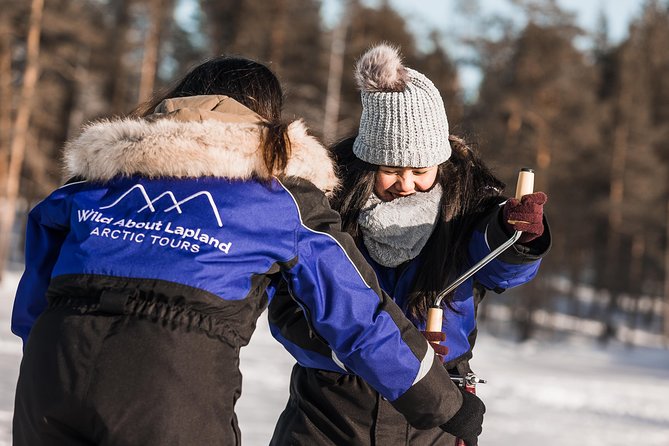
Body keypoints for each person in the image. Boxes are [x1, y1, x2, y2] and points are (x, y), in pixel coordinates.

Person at [11, 55, 480, 446]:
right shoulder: (280, 200)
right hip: (169, 389)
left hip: (50, 381)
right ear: (264, 121)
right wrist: (445, 403)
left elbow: (32, 307)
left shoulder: (90, 185)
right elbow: (361, 318)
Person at [269, 44, 551, 445]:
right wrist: (378, 357)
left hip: (435, 412)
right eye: (390, 170)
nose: (406, 184)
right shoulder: (325, 207)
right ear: (368, 163)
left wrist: (518, 237)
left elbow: (495, 265)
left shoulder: (467, 207)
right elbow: (287, 310)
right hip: (330, 410)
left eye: (420, 170)